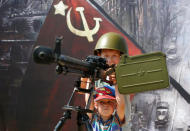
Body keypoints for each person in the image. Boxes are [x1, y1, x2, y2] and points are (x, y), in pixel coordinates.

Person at [81, 32, 132, 130]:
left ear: (121, 57)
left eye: (114, 56)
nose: (110, 60)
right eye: (106, 56)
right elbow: (86, 99)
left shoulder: (125, 74)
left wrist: (117, 79)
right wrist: (88, 76)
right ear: (99, 55)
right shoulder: (97, 77)